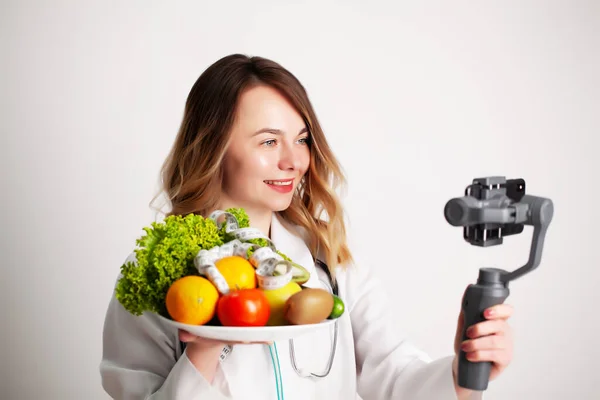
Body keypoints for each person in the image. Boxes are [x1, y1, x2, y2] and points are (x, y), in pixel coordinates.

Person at [100, 54, 514, 400]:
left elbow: (393, 375)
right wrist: (205, 349)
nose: (293, 161)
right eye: (268, 141)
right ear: (214, 147)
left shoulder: (325, 259)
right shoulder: (156, 273)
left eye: (301, 139)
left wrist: (462, 371)